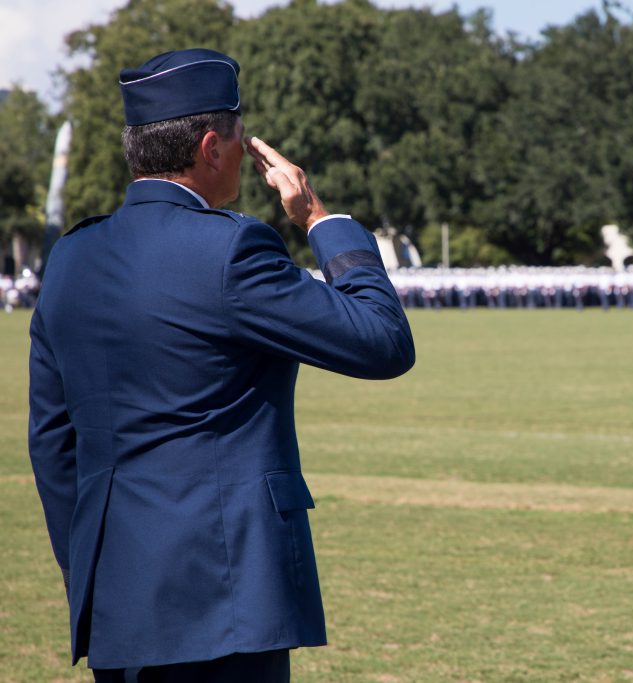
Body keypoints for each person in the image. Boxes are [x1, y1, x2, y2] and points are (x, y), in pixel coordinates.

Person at [28, 48, 415, 682]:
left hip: (117, 607)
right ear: (212, 146)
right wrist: (320, 219)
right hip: (225, 605)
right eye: (240, 136)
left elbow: (51, 443)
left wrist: (90, 573)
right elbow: (382, 342)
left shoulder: (71, 257)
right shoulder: (232, 248)